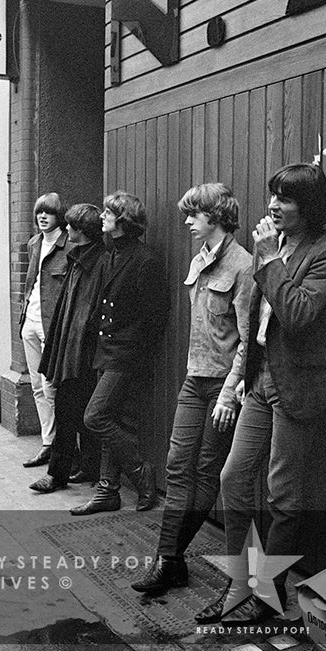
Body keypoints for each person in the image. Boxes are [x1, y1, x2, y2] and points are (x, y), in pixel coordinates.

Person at [195, 163, 326, 625]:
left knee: (283, 495)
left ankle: (266, 592)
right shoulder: (273, 247)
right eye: (273, 195)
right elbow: (258, 324)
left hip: (298, 386)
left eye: (285, 198)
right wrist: (245, 373)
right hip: (260, 380)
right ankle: (241, 581)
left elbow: (298, 313)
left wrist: (267, 260)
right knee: (232, 478)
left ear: (310, 206)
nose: (273, 206)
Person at [131, 183, 253, 594]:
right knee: (177, 465)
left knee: (205, 472)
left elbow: (248, 340)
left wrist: (229, 391)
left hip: (222, 384)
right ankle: (170, 560)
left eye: (193, 215)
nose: (186, 222)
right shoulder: (200, 261)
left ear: (215, 217)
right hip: (193, 377)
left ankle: (168, 563)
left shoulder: (244, 267)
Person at [70, 192, 169, 515]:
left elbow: (156, 316)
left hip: (125, 356)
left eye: (108, 213)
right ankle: (108, 491)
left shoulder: (145, 259)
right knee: (115, 420)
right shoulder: (111, 253)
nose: (101, 217)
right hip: (107, 350)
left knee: (95, 417)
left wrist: (134, 353)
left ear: (123, 221)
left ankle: (141, 473)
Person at [29, 203, 106, 494]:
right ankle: (76, 469)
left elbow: (91, 310)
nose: (67, 229)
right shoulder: (77, 258)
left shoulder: (98, 261)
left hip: (84, 352)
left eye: (72, 226)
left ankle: (66, 473)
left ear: (82, 232)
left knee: (73, 411)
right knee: (72, 409)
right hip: (71, 349)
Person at [20, 193, 70, 468]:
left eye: (48, 213)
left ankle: (62, 448)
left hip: (53, 325)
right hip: (31, 321)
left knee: (52, 386)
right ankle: (48, 443)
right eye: (39, 212)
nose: (42, 217)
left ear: (58, 216)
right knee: (37, 386)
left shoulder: (69, 244)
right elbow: (31, 281)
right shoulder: (34, 244)